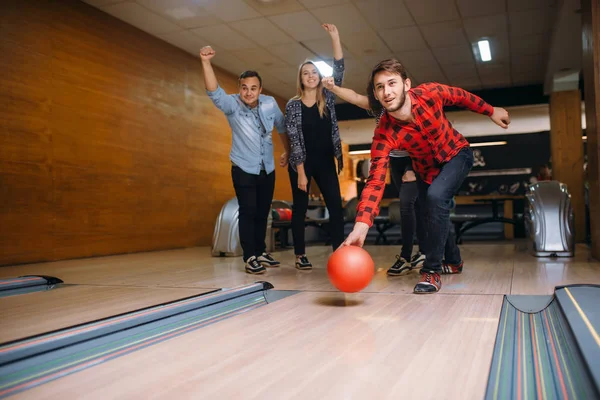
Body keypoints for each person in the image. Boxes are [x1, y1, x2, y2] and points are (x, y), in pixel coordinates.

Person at [342, 59, 510, 294]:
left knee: (435, 197)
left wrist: (492, 111)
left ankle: (431, 271)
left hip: (457, 154)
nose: (387, 92)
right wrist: (360, 227)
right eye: (379, 87)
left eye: (392, 83)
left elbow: (461, 96)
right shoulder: (384, 133)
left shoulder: (430, 93)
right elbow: (376, 181)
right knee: (428, 212)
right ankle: (453, 261)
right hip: (426, 170)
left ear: (406, 84)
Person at [322, 77, 426, 275]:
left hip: (415, 156)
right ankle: (421, 252)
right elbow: (354, 97)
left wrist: (413, 167)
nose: (386, 93)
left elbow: (422, 132)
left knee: (412, 205)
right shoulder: (378, 106)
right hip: (395, 159)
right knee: (412, 205)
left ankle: (411, 255)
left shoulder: (409, 104)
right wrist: (333, 87)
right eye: (380, 88)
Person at [200, 45, 286, 275]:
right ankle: (250, 257)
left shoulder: (269, 103)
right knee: (248, 211)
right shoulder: (232, 105)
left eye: (253, 88)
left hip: (266, 168)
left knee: (262, 211)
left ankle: (260, 251)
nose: (248, 92)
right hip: (243, 168)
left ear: (260, 89)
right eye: (245, 88)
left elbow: (282, 127)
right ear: (239, 88)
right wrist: (206, 62)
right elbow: (213, 91)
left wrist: (286, 151)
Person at [279, 24, 345, 270]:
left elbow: (339, 68)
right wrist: (302, 173)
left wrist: (335, 37)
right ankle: (300, 255)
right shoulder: (293, 105)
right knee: (300, 208)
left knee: (336, 208)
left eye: (314, 72)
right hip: (302, 163)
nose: (310, 75)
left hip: (327, 160)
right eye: (305, 72)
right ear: (301, 79)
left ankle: (339, 251)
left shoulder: (327, 97)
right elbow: (294, 140)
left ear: (319, 77)